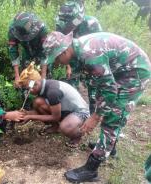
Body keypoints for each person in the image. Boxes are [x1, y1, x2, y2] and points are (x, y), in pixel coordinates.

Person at [42, 31, 151, 182]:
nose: (57, 63)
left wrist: (96, 116)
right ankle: (109, 147)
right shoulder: (78, 51)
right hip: (120, 70)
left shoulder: (90, 56)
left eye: (57, 58)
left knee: (114, 116)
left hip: (135, 73)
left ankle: (91, 169)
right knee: (106, 106)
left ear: (65, 50)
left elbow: (109, 90)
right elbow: (97, 83)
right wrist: (96, 107)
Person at [17, 64, 90, 144]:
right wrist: (26, 113)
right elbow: (41, 112)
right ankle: (55, 126)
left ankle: (77, 136)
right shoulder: (43, 86)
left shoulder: (52, 92)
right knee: (38, 102)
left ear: (35, 84)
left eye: (28, 89)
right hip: (65, 110)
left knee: (65, 127)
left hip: (80, 112)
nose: (28, 92)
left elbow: (55, 117)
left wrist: (30, 116)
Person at [55, 0, 102, 113]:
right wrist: (68, 66)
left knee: (92, 86)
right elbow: (61, 47)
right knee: (70, 84)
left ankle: (92, 113)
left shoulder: (91, 23)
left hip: (91, 58)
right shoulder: (61, 24)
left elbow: (99, 46)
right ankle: (73, 113)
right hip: (72, 58)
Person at [8, 12, 49, 83]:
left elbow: (46, 51)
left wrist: (43, 76)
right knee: (25, 79)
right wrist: (17, 76)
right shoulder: (12, 30)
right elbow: (13, 52)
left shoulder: (41, 27)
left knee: (44, 81)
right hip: (26, 53)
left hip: (40, 52)